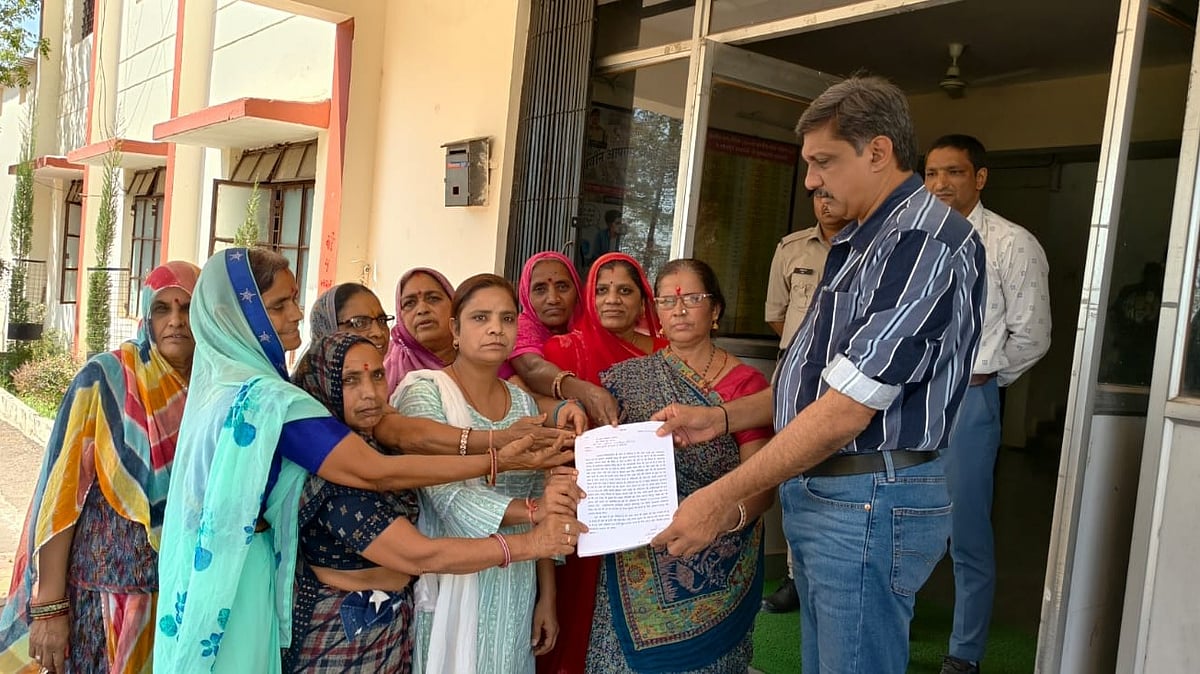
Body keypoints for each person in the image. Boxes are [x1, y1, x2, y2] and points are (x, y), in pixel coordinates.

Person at [649, 76, 986, 674]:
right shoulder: (862, 239)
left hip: (865, 497)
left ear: (877, 152)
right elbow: (816, 382)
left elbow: (845, 411)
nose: (810, 181)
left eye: (823, 161)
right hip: (837, 495)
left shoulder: (921, 241)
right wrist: (721, 418)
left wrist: (720, 498)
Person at [153, 248, 571, 673]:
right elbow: (378, 475)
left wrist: (501, 446)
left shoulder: (224, 387)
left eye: (377, 376)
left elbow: (400, 433)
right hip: (245, 584)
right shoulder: (269, 401)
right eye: (279, 305)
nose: (296, 313)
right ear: (237, 317)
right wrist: (500, 464)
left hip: (223, 568)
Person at [286, 332, 584, 672]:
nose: (369, 393)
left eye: (377, 375)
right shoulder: (334, 474)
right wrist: (531, 541)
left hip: (392, 626)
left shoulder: (377, 442)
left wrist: (502, 459)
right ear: (323, 384)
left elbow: (429, 456)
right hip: (343, 635)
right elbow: (419, 554)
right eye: (350, 380)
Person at [0, 261, 199, 674]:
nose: (176, 321)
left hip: (182, 597)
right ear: (146, 314)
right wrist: (50, 606)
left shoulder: (213, 387)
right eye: (162, 308)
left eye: (187, 307)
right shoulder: (107, 379)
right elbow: (62, 495)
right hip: (102, 598)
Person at [585, 258, 774, 673]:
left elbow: (761, 483)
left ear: (716, 309)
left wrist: (722, 517)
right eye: (668, 302)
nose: (680, 310)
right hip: (636, 557)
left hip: (719, 552)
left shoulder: (747, 386)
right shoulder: (627, 379)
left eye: (693, 298)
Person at [396, 274, 584, 674]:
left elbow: (541, 499)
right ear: (455, 329)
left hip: (517, 578)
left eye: (507, 318)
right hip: (454, 576)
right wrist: (534, 510)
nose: (496, 328)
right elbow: (448, 496)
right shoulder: (425, 391)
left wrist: (546, 597)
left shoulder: (521, 402)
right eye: (480, 318)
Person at [924, 133, 1051, 674]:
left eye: (953, 172)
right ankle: (894, 626)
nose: (940, 184)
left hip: (969, 402)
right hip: (908, 401)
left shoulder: (1010, 242)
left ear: (979, 178)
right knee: (900, 516)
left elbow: (1033, 335)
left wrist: (983, 378)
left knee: (967, 533)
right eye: (931, 173)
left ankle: (964, 652)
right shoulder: (913, 237)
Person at [538, 252, 667, 674]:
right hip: (581, 500)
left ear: (643, 300)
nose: (612, 299)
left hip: (643, 505)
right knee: (575, 606)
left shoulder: (664, 355)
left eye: (625, 290)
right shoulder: (563, 350)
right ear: (589, 297)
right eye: (602, 290)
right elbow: (536, 408)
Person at [761, 189, 852, 613]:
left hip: (849, 379)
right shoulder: (791, 248)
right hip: (798, 377)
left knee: (841, 474)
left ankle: (834, 574)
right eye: (818, 196)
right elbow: (777, 314)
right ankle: (796, 577)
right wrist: (806, 353)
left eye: (833, 194)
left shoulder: (872, 247)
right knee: (793, 471)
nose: (825, 203)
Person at [510, 251, 621, 425]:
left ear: (578, 292)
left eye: (562, 287)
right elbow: (532, 368)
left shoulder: (593, 327)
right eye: (540, 289)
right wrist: (587, 392)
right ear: (526, 295)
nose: (553, 299)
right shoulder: (518, 329)